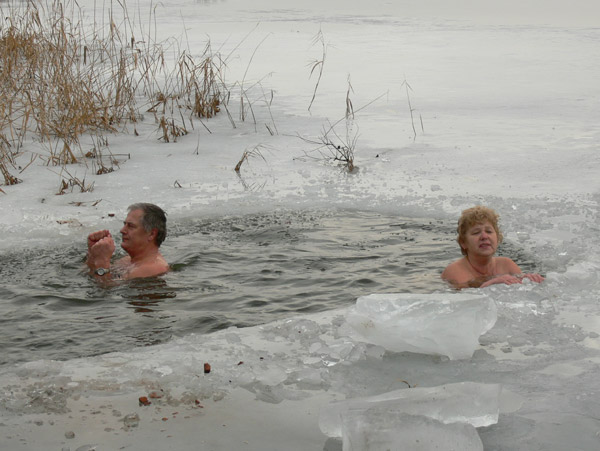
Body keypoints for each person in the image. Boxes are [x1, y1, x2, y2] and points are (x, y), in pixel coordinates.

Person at [441, 206, 544, 289]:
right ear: (463, 243)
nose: (484, 236)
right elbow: (465, 305)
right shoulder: (454, 271)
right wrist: (490, 285)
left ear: (497, 238)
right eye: (476, 233)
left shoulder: (507, 265)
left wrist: (529, 280)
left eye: (489, 231)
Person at [86, 203, 169, 280]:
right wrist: (93, 253)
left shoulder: (151, 268)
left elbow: (104, 290)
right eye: (124, 224)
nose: (122, 230)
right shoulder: (127, 261)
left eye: (131, 226)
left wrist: (102, 261)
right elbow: (92, 273)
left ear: (151, 234)